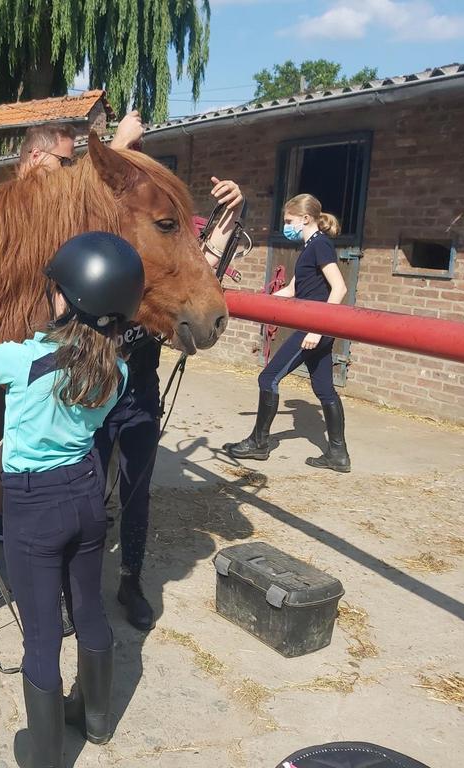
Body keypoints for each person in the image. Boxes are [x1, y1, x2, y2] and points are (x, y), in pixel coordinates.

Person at [0, 232, 145, 768]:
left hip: (34, 505)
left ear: (67, 300)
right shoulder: (119, 371)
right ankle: (97, 720)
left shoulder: (23, 359)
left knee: (41, 633)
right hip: (86, 493)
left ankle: (45, 755)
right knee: (89, 608)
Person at [0, 111, 145, 542]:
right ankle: (2, 515)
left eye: (74, 163)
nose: (70, 172)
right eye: (65, 162)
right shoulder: (21, 201)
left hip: (26, 336)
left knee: (22, 423)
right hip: (16, 338)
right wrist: (115, 152)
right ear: (33, 157)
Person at [96, 176, 246, 631]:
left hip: (140, 394)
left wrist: (231, 215)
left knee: (137, 492)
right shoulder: (110, 264)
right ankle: (74, 585)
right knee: (83, 495)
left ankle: (131, 580)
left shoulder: (166, 271)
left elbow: (204, 260)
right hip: (94, 397)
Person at [224, 193, 350, 472]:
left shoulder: (321, 246)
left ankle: (259, 443)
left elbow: (339, 288)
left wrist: (318, 328)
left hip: (315, 328)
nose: (286, 225)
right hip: (317, 328)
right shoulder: (308, 248)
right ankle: (338, 455)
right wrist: (258, 303)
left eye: (289, 220)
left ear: (306, 219)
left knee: (268, 377)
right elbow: (292, 290)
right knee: (324, 389)